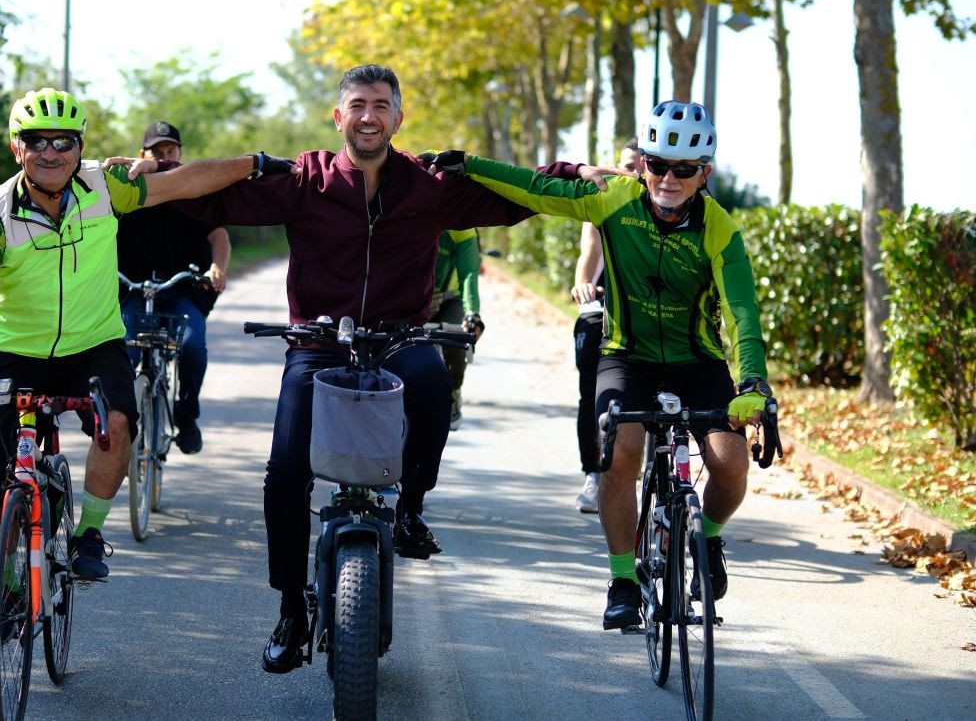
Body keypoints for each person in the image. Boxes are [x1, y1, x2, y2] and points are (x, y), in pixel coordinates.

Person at [171, 65, 614, 673]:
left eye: (381, 105)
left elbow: (520, 194)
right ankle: (290, 611)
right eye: (357, 104)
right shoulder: (307, 180)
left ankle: (410, 506)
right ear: (339, 117)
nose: (369, 115)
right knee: (283, 471)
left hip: (401, 334)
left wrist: (581, 174)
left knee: (432, 382)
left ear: (397, 118)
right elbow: (210, 199)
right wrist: (154, 175)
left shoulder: (427, 184)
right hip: (318, 342)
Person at [0, 87, 290, 643]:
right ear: (18, 149)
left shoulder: (105, 187)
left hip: (94, 345)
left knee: (118, 427)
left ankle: (87, 533)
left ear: (79, 146)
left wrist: (255, 163)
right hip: (18, 353)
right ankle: (4, 583)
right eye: (38, 142)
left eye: (64, 142)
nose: (51, 152)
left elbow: (188, 180)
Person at [427, 101, 774, 632]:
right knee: (621, 456)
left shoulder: (720, 229)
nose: (668, 179)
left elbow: (741, 310)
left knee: (729, 463)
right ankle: (622, 582)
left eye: (684, 169)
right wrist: (471, 164)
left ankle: (708, 541)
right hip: (626, 356)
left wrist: (751, 380)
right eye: (657, 164)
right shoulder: (615, 199)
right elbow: (538, 189)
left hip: (697, 360)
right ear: (644, 165)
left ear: (705, 172)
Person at [117, 120, 231, 455]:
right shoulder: (126, 192)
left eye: (171, 150)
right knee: (123, 353)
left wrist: (217, 267)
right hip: (135, 290)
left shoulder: (194, 188)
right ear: (143, 155)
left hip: (182, 289)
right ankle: (121, 422)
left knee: (193, 346)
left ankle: (185, 416)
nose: (165, 156)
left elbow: (218, 235)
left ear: (179, 153)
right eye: (157, 151)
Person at [570, 139, 642, 513]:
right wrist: (584, 285)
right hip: (604, 309)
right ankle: (593, 474)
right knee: (592, 389)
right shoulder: (603, 202)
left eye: (642, 166)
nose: (634, 172)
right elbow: (589, 256)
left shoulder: (663, 208)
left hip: (645, 316)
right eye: (628, 165)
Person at [429, 228, 484, 429]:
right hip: (412, 297)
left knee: (456, 340)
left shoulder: (461, 225)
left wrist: (472, 313)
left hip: (448, 299)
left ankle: (453, 390)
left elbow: (469, 271)